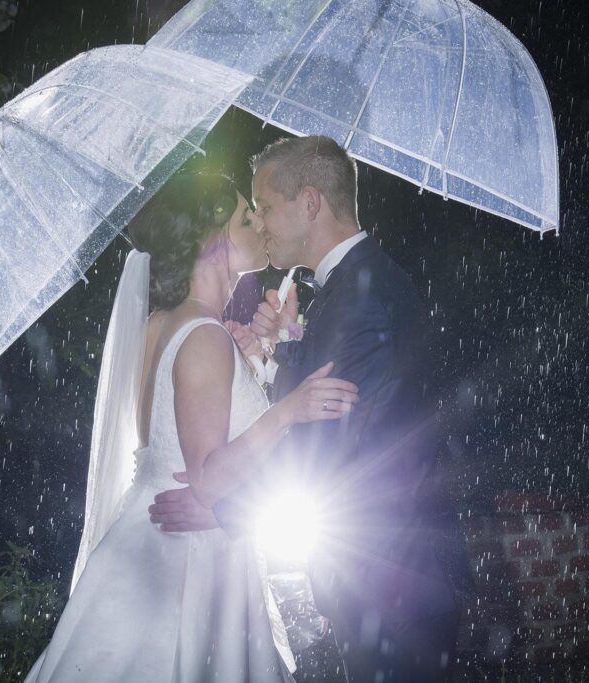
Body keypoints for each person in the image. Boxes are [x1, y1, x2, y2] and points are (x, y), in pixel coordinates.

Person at [150, 137, 470, 682]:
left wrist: (228, 508)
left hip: (394, 582)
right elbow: (330, 396)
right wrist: (284, 350)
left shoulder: (361, 297)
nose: (262, 222)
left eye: (266, 207)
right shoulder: (356, 285)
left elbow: (338, 449)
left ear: (311, 202)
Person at [24, 171, 359, 682]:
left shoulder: (165, 322)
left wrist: (274, 345)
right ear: (211, 238)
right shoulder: (205, 337)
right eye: (248, 217)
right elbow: (206, 477)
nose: (261, 224)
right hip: (185, 568)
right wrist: (289, 407)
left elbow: (164, 447)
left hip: (148, 549)